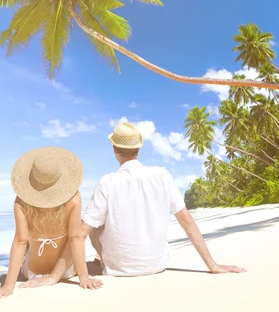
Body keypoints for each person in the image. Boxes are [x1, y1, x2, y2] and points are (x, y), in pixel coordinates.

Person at [22, 121, 246, 288]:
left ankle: (102, 260)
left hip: (118, 269)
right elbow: (186, 221)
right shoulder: (162, 175)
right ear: (138, 148)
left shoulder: (108, 181)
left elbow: (80, 233)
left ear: (114, 150)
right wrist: (213, 265)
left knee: (93, 226)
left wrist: (53, 277)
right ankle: (108, 258)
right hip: (157, 265)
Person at [0, 147, 103, 301]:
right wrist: (84, 278)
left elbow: (20, 242)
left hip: (33, 273)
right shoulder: (73, 199)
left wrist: (8, 286)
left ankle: (11, 275)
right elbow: (75, 238)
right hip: (67, 272)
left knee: (26, 243)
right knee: (73, 236)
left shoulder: (21, 202)